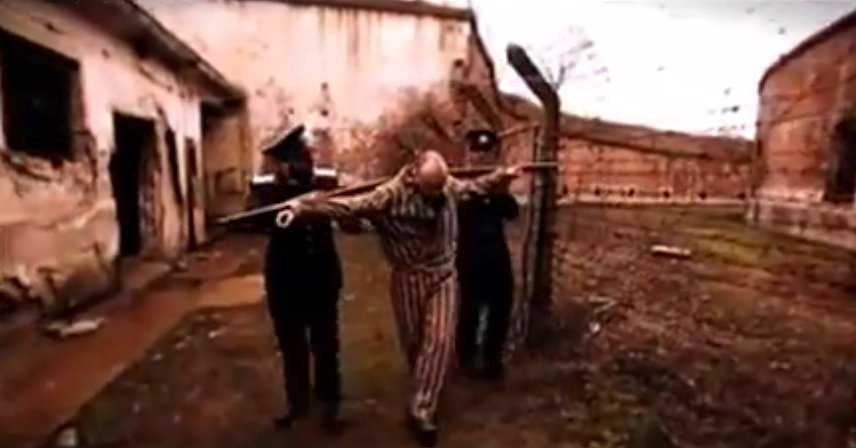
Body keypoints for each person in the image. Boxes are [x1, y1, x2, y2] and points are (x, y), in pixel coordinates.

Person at [275, 150, 521, 447]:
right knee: (416, 345)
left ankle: (422, 409)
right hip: (408, 276)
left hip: (442, 274)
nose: (436, 197)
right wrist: (305, 207)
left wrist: (501, 176)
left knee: (440, 340)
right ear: (414, 177)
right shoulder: (388, 196)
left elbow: (472, 188)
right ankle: (423, 384)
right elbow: (350, 207)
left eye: (440, 190)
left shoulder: (446, 186)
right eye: (430, 192)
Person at [259, 124, 345, 434]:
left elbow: (343, 213)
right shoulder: (269, 192)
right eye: (286, 162)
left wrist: (308, 195)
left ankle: (329, 406)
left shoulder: (322, 186)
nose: (286, 168)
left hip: (320, 278)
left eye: (300, 159)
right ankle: (297, 404)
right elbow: (254, 218)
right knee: (292, 347)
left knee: (326, 346)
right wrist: (279, 190)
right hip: (285, 281)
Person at [456, 131, 520, 381]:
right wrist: (480, 191)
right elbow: (456, 210)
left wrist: (500, 191)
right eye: (477, 152)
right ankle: (466, 358)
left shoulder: (497, 185)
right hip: (469, 254)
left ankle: (492, 359)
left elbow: (511, 212)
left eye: (487, 152)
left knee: (501, 306)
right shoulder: (458, 183)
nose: (481, 157)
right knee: (469, 308)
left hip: (495, 253)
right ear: (468, 155)